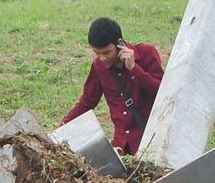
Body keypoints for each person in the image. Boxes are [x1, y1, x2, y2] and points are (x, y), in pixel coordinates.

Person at [61, 17, 165, 156]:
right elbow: (88, 100)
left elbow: (162, 93)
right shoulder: (99, 66)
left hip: (149, 142)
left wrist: (134, 69)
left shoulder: (146, 52)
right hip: (121, 146)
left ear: (119, 43)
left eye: (106, 52)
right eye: (97, 53)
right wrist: (63, 125)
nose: (102, 58)